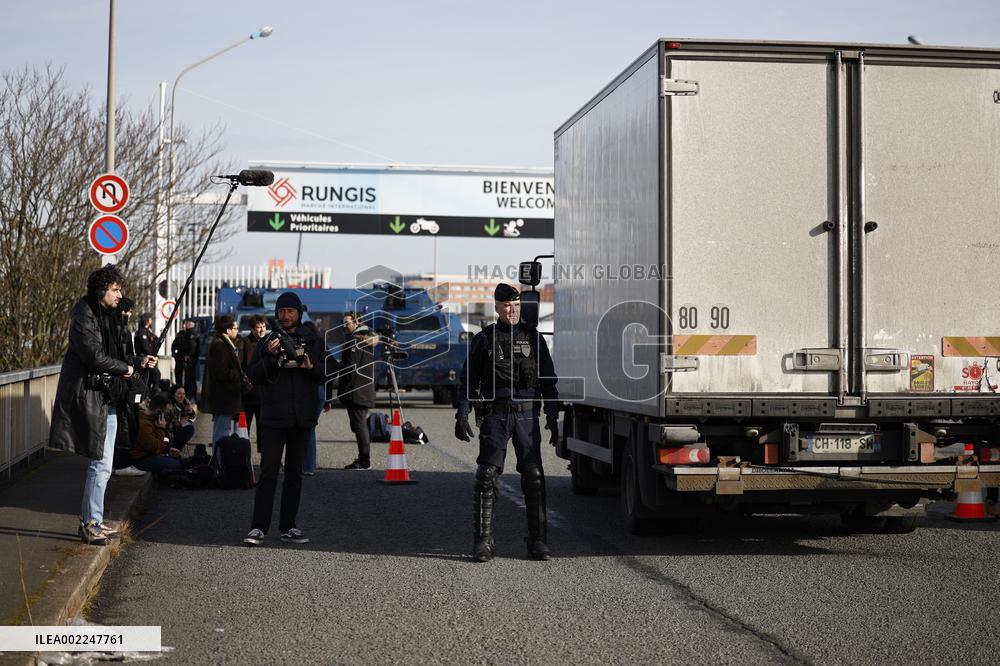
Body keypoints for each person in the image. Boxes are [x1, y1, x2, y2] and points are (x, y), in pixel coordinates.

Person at [48, 265, 156, 545]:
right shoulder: (84, 315)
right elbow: (94, 356)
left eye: (121, 289)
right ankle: (90, 523)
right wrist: (127, 370)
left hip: (104, 397)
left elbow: (116, 353)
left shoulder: (104, 316)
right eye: (115, 289)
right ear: (101, 291)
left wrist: (138, 361)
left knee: (104, 464)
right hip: (90, 397)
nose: (120, 295)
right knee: (99, 463)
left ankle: (92, 520)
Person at [455, 283, 559, 562]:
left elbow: (548, 380)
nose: (512, 310)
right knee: (486, 476)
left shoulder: (534, 338)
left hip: (527, 414)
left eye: (516, 306)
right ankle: (483, 543)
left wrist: (552, 416)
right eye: (506, 306)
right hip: (495, 415)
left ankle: (537, 542)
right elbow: (469, 379)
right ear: (497, 307)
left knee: (534, 477)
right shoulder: (485, 339)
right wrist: (462, 413)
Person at [243, 292, 326, 546]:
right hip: (273, 418)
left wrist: (311, 367)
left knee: (294, 474)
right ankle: (258, 528)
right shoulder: (267, 340)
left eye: (290, 311)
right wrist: (270, 356)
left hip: (302, 418)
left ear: (299, 313)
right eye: (281, 312)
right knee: (268, 473)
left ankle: (289, 526)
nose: (285, 316)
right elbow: (253, 376)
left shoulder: (312, 339)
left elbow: (328, 372)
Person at [331, 311, 378, 470]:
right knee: (359, 425)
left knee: (359, 426)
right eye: (343, 322)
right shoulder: (366, 340)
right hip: (364, 389)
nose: (344, 325)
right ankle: (363, 459)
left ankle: (364, 460)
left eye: (347, 322)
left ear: (357, 323)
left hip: (356, 391)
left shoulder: (355, 342)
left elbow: (350, 367)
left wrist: (334, 366)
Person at [201, 315, 244, 455]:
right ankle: (218, 462)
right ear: (227, 329)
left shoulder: (224, 343)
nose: (238, 331)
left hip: (225, 396)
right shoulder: (220, 345)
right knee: (222, 431)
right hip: (224, 396)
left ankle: (220, 460)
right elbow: (222, 372)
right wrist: (240, 375)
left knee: (223, 429)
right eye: (235, 328)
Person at [131, 394, 186, 475]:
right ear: (158, 411)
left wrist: (167, 449)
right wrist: (161, 429)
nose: (166, 416)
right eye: (165, 413)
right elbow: (155, 449)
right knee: (177, 465)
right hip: (141, 459)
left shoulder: (152, 419)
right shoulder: (144, 424)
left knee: (179, 460)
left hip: (149, 455)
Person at [241, 315, 267, 450]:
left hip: (264, 394)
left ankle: (266, 459)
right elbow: (240, 366)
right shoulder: (245, 343)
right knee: (244, 429)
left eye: (264, 326)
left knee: (264, 429)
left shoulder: (269, 342)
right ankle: (243, 457)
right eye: (258, 327)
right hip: (248, 394)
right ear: (252, 329)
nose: (262, 330)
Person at [170, 319, 199, 400]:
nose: (184, 325)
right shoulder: (181, 334)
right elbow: (174, 345)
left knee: (189, 379)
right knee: (179, 377)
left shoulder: (192, 335)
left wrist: (188, 355)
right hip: (180, 359)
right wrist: (175, 354)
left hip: (188, 361)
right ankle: (178, 395)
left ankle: (189, 397)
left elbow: (192, 347)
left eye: (185, 324)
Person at [133, 312, 162, 393]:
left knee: (149, 379)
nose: (151, 320)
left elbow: (155, 344)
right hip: (144, 358)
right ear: (147, 320)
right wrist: (152, 355)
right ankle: (152, 393)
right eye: (150, 318)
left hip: (150, 358)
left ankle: (148, 394)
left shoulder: (148, 332)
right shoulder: (142, 332)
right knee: (156, 374)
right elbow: (145, 347)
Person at [165, 384, 197, 451]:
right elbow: (167, 426)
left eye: (183, 394)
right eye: (179, 394)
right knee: (189, 428)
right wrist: (180, 423)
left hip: (176, 430)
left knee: (190, 427)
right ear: (173, 395)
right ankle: (174, 449)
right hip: (169, 435)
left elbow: (193, 417)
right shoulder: (169, 407)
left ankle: (177, 450)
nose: (182, 396)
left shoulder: (182, 404)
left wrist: (189, 408)